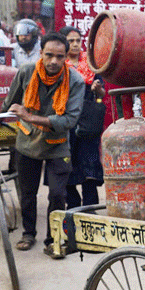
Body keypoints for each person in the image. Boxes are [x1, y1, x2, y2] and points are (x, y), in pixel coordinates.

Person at [2, 33, 85, 258]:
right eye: (49, 55)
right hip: (27, 144)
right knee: (28, 193)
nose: (54, 61)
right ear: (41, 53)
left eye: (60, 56)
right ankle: (28, 234)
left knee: (58, 195)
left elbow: (69, 120)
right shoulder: (27, 72)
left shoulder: (75, 81)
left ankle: (53, 240)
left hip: (57, 146)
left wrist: (29, 117)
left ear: (66, 57)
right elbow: (10, 103)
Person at [60, 26, 105, 209]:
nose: (76, 44)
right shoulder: (59, 65)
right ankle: (72, 207)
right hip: (66, 120)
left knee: (90, 165)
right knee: (67, 162)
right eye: (71, 41)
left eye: (78, 40)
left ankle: (90, 209)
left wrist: (97, 90)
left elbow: (102, 92)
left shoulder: (91, 62)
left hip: (87, 121)